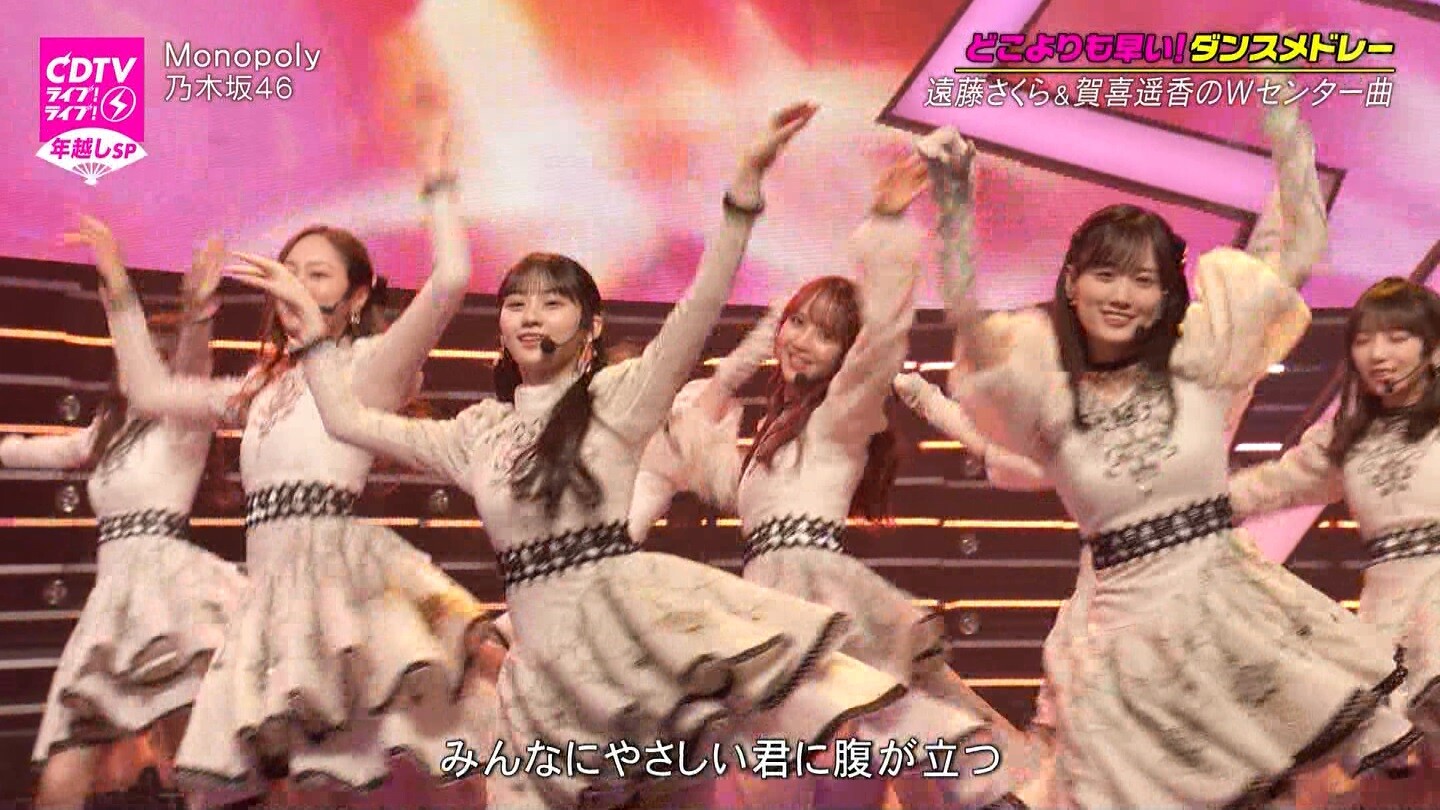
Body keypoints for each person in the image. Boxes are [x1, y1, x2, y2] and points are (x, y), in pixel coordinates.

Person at [245, 102, 1000, 810]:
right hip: (539, 675)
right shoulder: (477, 430)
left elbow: (700, 305)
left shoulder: (619, 397)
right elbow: (347, 419)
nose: (531, 315)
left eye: (554, 301)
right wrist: (308, 326)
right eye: (517, 302)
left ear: (591, 325)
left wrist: (743, 192)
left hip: (628, 647)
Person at [930, 84, 1420, 808]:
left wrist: (1287, 131)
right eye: (1105, 274)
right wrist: (954, 206)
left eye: (1143, 279)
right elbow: (974, 332)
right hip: (1126, 665)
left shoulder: (1202, 368)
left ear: (1165, 296)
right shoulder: (1049, 398)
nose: (1121, 294)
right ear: (1071, 283)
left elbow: (1297, 249)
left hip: (1235, 628)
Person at [74, 111, 495, 808]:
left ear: (357, 296)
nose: (293, 283)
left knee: (398, 764)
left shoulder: (368, 366)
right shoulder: (261, 386)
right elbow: (149, 392)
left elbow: (450, 279)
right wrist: (119, 290)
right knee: (301, 784)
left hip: (342, 582)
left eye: (316, 274)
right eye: (289, 271)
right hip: (270, 591)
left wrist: (438, 186)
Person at [4, 243, 245, 810]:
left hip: (172, 597)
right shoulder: (104, 435)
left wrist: (191, 310)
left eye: (153, 357)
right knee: (67, 758)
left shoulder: (185, 423)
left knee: (203, 765)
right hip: (113, 604)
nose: (137, 365)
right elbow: (26, 451)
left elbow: (193, 366)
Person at [1229, 276, 1440, 805]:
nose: (1378, 353)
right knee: (1396, 781)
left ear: (1433, 349)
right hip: (1386, 616)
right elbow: (1273, 484)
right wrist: (1181, 505)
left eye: (1397, 337)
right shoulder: (1348, 437)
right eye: (1365, 340)